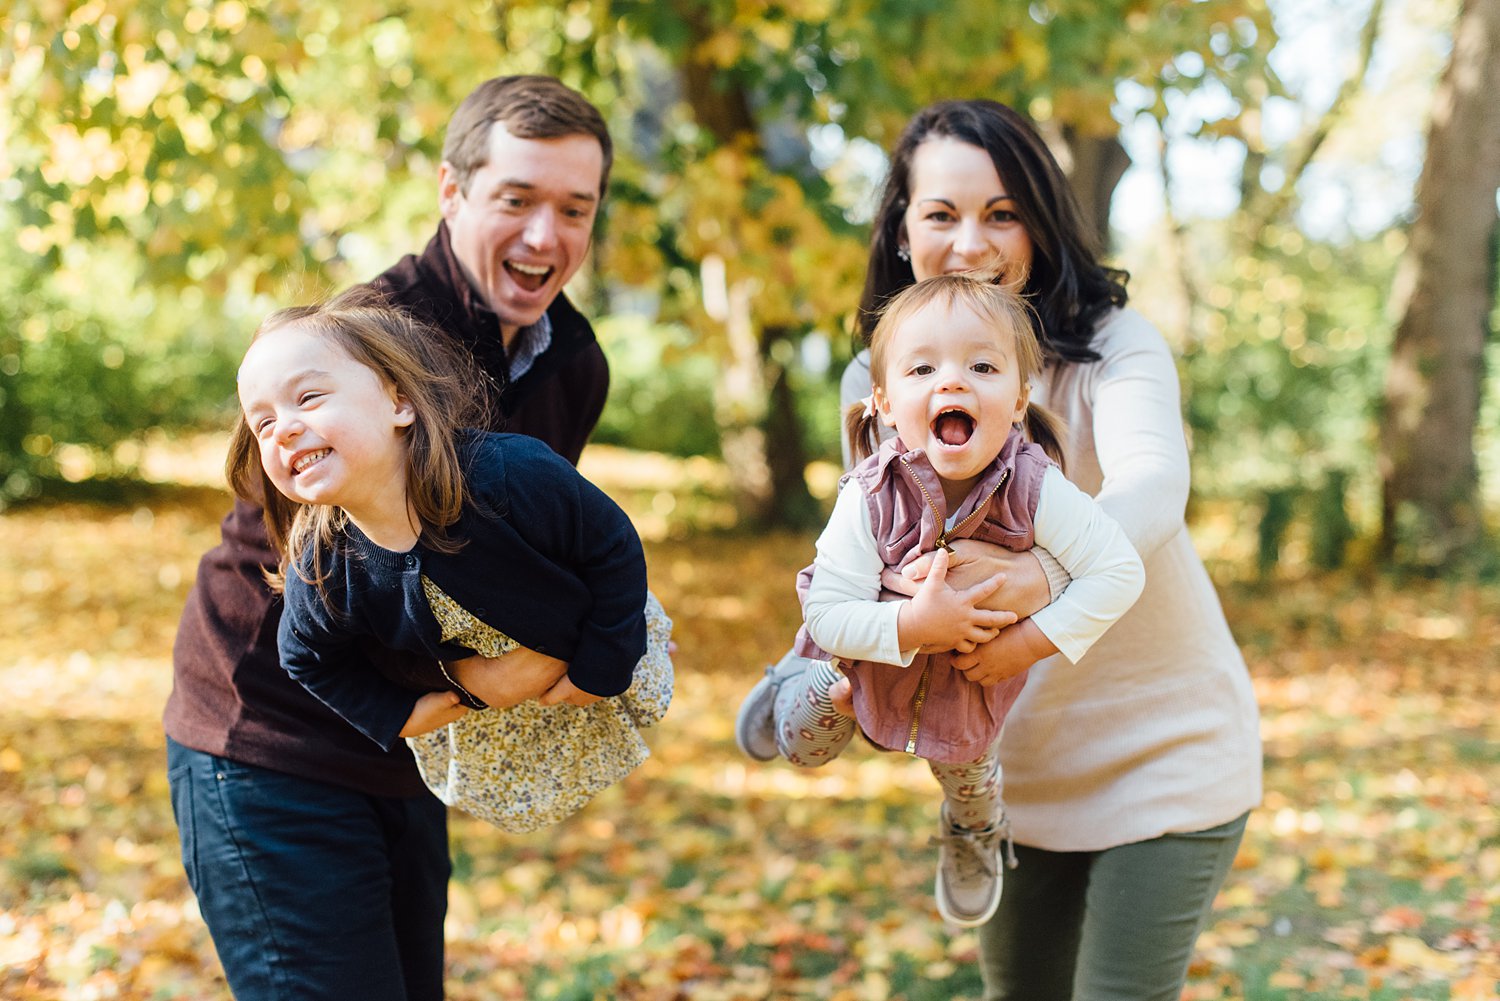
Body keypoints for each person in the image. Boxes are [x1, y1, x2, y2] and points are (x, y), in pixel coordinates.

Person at [164, 75, 616, 1001]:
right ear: (452, 194)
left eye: (576, 208)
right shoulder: (368, 344)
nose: (546, 237)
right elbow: (344, 572)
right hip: (272, 738)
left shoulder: (572, 361)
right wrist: (476, 679)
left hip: (409, 754)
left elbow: (521, 555)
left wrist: (606, 625)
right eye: (517, 199)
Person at [844, 99, 1261, 1000]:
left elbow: (1154, 486)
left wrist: (1041, 572)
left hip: (1167, 755)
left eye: (1003, 212)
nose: (973, 242)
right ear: (903, 229)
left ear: (1041, 221)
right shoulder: (887, 378)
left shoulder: (1113, 347)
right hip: (1006, 777)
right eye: (942, 214)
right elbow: (875, 556)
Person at [769, 272, 1144, 928]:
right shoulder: (870, 491)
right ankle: (787, 680)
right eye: (922, 368)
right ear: (884, 401)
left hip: (969, 679)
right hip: (864, 655)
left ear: (1019, 396)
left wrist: (1028, 643)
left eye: (981, 365)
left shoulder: (1034, 487)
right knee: (806, 736)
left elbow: (1117, 569)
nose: (951, 381)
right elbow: (828, 609)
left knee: (969, 773)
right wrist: (913, 621)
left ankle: (973, 830)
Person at [230, 290, 671, 835]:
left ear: (399, 402)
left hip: (595, 637)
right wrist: (396, 716)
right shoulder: (324, 566)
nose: (286, 428)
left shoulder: (504, 474)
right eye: (263, 424)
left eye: (310, 397)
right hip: (495, 712)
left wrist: (604, 662)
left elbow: (611, 544)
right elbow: (306, 657)